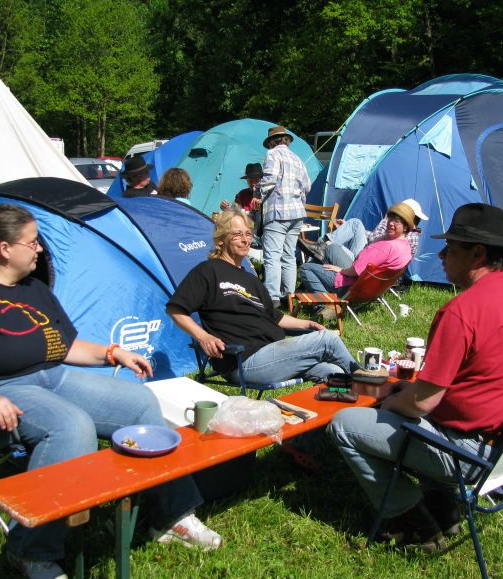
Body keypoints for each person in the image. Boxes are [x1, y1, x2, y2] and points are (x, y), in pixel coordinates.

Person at [0, 204, 221, 579]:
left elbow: (64, 347)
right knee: (71, 427)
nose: (40, 249)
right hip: (2, 388)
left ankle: (171, 516)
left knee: (140, 402)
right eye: (32, 242)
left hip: (55, 376)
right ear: (5, 249)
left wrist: (112, 353)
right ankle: (30, 551)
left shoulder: (34, 289)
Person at [329, 203, 503, 553]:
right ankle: (444, 509)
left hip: (471, 453)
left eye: (451, 248)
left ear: (477, 254)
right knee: (410, 405)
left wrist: (391, 403)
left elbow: (422, 402)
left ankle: (413, 525)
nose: (442, 255)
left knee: (345, 425)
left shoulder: (462, 311)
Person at [166, 210, 383, 386]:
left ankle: (337, 418)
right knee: (328, 340)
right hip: (244, 361)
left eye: (248, 234)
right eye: (237, 234)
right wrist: (203, 337)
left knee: (334, 372)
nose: (245, 239)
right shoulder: (208, 271)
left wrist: (307, 323)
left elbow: (275, 317)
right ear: (221, 240)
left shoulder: (250, 278)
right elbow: (175, 309)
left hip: (273, 355)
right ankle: (366, 377)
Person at [298, 203, 415, 302]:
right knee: (335, 244)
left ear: (405, 227)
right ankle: (320, 247)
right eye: (390, 219)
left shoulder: (383, 247)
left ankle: (325, 304)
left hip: (353, 286)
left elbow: (356, 271)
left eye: (396, 222)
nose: (391, 223)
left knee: (306, 267)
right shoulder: (405, 247)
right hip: (372, 289)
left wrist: (341, 270)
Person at [258, 125, 311, 307]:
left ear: (271, 142)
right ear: (286, 140)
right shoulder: (297, 158)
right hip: (296, 213)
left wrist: (258, 192)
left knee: (272, 255)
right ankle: (289, 296)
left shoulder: (272, 154)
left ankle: (272, 297)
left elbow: (270, 179)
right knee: (289, 255)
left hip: (278, 211)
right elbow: (307, 186)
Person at [300, 198, 429, 263]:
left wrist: (386, 222)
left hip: (364, 262)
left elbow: (374, 241)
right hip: (368, 257)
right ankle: (320, 245)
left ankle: (320, 246)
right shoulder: (409, 234)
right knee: (355, 224)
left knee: (331, 245)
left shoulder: (403, 235)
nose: (394, 218)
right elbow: (375, 238)